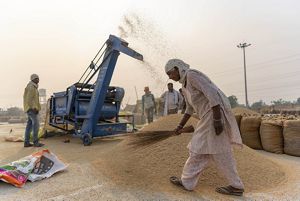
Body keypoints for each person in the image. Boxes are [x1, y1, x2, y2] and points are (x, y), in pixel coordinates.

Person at [165, 59, 244, 196]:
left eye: (170, 73)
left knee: (202, 149)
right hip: (207, 117)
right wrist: (180, 126)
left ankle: (236, 186)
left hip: (213, 114)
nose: (169, 77)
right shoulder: (184, 86)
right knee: (207, 151)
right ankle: (188, 182)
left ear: (177, 68)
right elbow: (189, 109)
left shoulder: (192, 75)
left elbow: (212, 93)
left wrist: (218, 119)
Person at [23, 74, 44, 147]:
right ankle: (36, 142)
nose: (38, 80)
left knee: (29, 126)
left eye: (38, 78)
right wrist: (34, 108)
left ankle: (26, 142)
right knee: (36, 125)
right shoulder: (31, 87)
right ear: (32, 79)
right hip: (31, 109)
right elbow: (29, 99)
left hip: (30, 109)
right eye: (36, 79)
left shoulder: (33, 87)